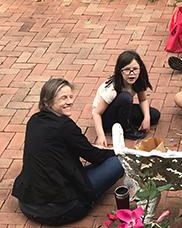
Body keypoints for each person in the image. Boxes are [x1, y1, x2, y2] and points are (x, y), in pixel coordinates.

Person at [12, 78, 124, 226]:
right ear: (48, 101)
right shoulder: (65, 126)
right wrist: (116, 152)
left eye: (71, 96)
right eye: (63, 98)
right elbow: (94, 156)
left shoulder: (34, 121)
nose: (70, 101)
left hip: (27, 203)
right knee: (117, 162)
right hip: (63, 210)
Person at [92, 50, 160, 147]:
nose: (131, 73)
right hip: (105, 117)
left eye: (135, 69)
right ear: (120, 71)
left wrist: (147, 118)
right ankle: (126, 129)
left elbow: (143, 100)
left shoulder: (138, 80)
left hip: (122, 108)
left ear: (140, 69)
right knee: (126, 98)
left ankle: (123, 122)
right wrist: (101, 135)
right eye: (127, 69)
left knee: (154, 115)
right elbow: (96, 113)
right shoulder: (113, 89)